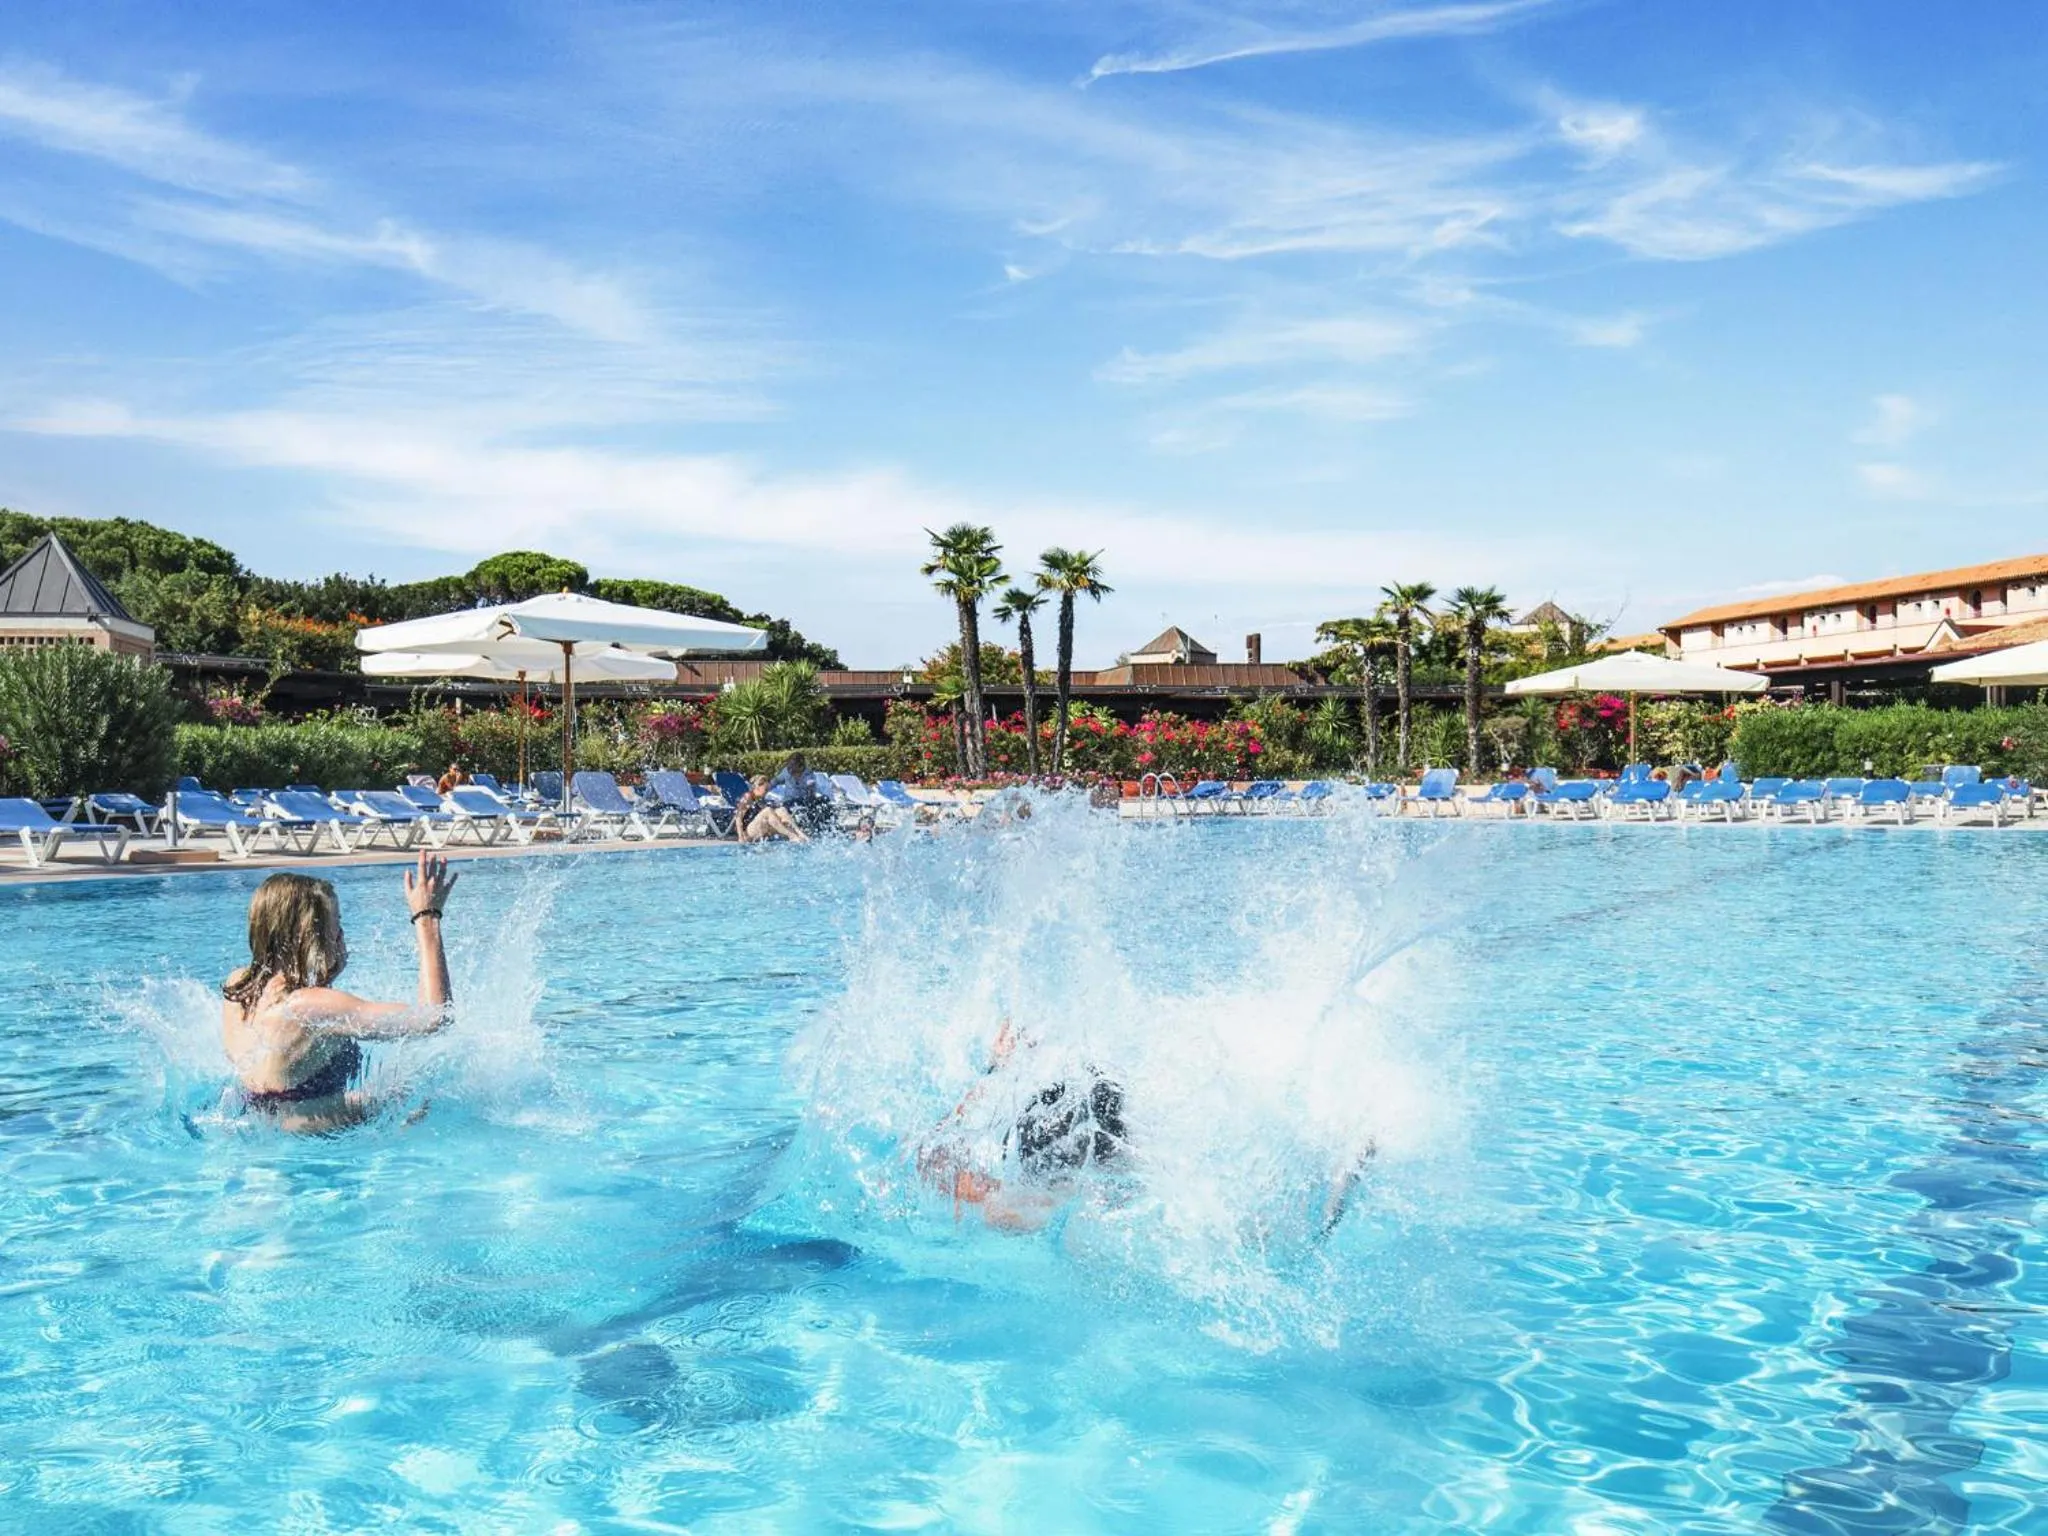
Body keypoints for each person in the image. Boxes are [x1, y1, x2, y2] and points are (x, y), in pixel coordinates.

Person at [221, 851, 459, 1131]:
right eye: (336, 926)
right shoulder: (308, 1007)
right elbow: (434, 1018)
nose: (342, 935)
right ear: (311, 937)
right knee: (434, 1097)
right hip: (308, 1144)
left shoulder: (240, 987)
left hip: (256, 1121)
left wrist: (326, 972)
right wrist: (427, 917)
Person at [917, 1018, 1127, 1231]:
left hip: (1052, 1163)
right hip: (1064, 1157)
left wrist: (995, 1068)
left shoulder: (1011, 1193)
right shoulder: (1006, 1203)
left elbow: (933, 1151)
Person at [733, 775, 808, 844]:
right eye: (765, 789)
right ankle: (791, 836)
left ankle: (799, 833)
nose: (767, 791)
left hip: (760, 829)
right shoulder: (748, 797)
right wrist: (740, 837)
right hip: (747, 834)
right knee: (767, 811)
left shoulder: (760, 799)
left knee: (781, 810)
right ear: (758, 787)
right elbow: (738, 817)